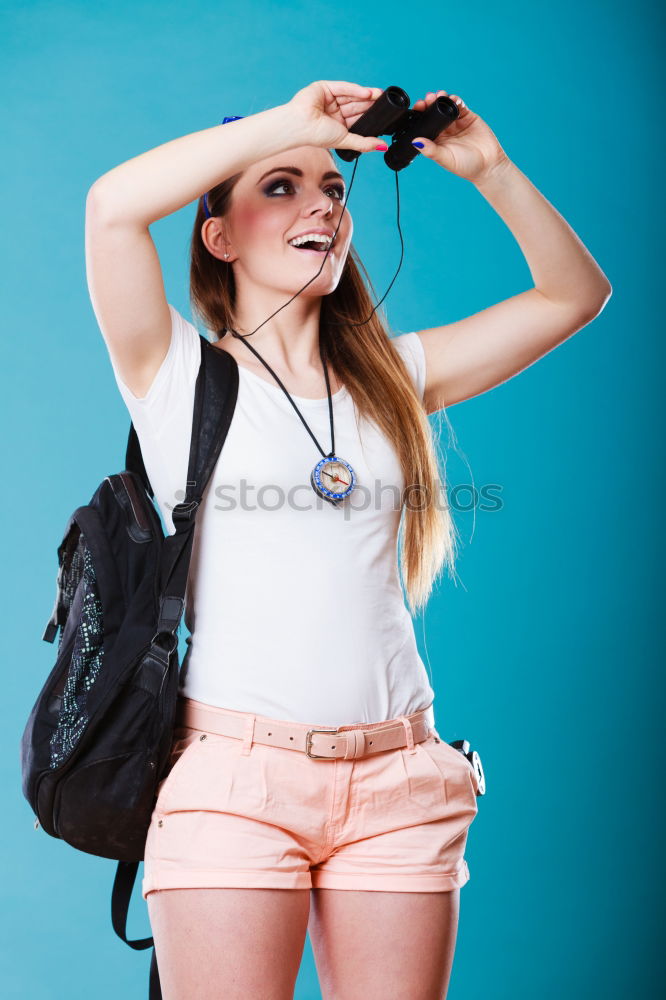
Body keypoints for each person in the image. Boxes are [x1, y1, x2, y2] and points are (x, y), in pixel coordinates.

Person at [85, 79, 611, 999]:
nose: (324, 202)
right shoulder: (175, 378)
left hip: (403, 781)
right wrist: (297, 123)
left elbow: (575, 295)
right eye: (281, 187)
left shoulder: (396, 376)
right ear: (220, 236)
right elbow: (112, 208)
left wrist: (490, 169)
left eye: (334, 187)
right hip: (236, 787)